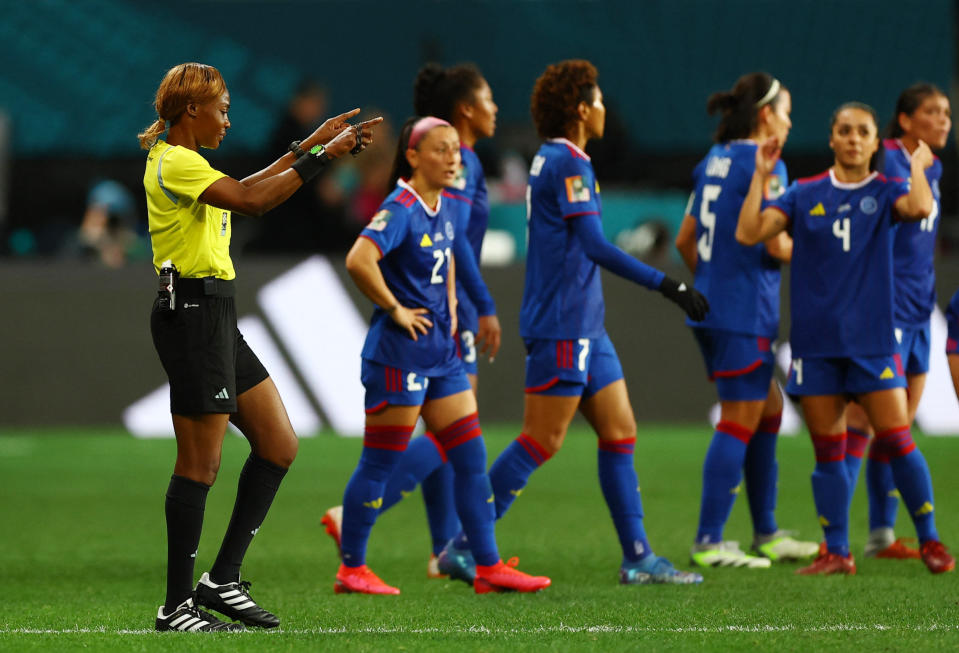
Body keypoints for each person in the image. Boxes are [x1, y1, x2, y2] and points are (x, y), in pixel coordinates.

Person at [436, 59, 709, 587]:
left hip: (586, 324)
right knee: (541, 440)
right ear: (583, 109)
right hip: (563, 325)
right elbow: (594, 245)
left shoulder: (558, 159)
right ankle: (464, 546)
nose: (606, 108)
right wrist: (668, 285)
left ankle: (638, 557)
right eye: (600, 100)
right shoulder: (568, 163)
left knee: (620, 431)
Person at [139, 62, 380, 631]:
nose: (228, 118)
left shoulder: (188, 160)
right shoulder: (175, 160)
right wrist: (321, 158)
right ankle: (176, 607)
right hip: (191, 314)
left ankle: (221, 580)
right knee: (201, 464)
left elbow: (246, 188)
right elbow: (251, 203)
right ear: (191, 110)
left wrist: (313, 143)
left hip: (216, 312)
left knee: (278, 444)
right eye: (221, 108)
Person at [333, 115, 550, 595]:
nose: (454, 158)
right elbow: (358, 259)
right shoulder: (401, 207)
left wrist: (454, 308)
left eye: (456, 149)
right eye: (441, 150)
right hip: (399, 356)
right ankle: (352, 568)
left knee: (471, 457)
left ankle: (488, 565)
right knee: (379, 462)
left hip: (443, 355)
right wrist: (394, 308)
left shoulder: (449, 205)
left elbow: (451, 259)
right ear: (412, 157)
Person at [736, 100, 954, 575]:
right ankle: (838, 551)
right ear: (832, 139)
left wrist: (917, 166)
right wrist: (759, 176)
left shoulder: (888, 189)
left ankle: (932, 540)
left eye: (862, 132)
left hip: (873, 343)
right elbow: (750, 231)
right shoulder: (803, 192)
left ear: (876, 143)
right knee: (828, 453)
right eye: (844, 131)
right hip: (816, 346)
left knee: (898, 440)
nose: (853, 139)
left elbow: (920, 206)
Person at [321, 63, 503, 579]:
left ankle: (454, 551)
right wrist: (477, 307)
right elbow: (447, 248)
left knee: (460, 441)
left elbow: (451, 242)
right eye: (487, 97)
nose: (495, 106)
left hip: (443, 328)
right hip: (423, 334)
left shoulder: (445, 179)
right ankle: (380, 539)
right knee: (430, 442)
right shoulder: (452, 170)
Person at [674, 73, 818, 569]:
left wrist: (715, 282)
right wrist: (830, 260)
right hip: (742, 313)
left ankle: (767, 532)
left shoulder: (712, 162)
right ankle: (709, 541)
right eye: (786, 110)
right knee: (739, 418)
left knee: (769, 411)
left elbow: (684, 241)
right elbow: (775, 243)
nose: (790, 120)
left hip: (712, 307)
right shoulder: (765, 167)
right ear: (765, 115)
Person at [842, 84, 951, 560]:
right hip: (884, 311)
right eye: (931, 112)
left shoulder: (932, 165)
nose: (944, 120)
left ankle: (881, 535)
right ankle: (834, 541)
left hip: (920, 310)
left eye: (947, 112)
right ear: (905, 120)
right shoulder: (882, 158)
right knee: (868, 423)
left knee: (898, 424)